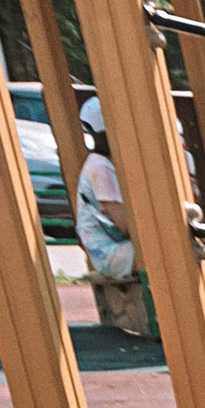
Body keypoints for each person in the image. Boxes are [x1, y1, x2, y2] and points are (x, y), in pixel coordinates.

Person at [71, 94, 135, 284]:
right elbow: (125, 225)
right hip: (109, 254)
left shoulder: (102, 164)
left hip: (116, 248)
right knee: (174, 252)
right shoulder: (101, 168)